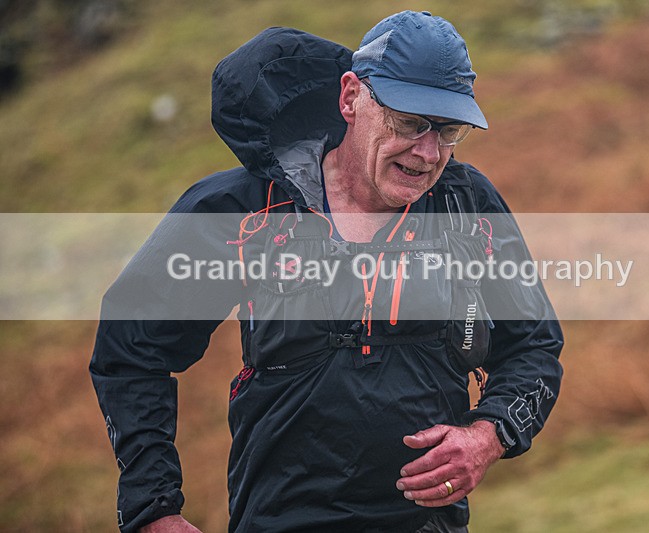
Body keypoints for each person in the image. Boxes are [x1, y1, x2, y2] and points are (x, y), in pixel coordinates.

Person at [91, 10, 564, 533]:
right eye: (410, 122)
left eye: (449, 130)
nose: (429, 153)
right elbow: (130, 348)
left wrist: (489, 435)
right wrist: (153, 507)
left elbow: (534, 347)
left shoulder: (467, 206)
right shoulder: (245, 210)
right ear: (350, 98)